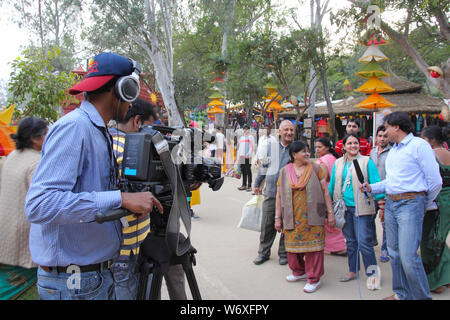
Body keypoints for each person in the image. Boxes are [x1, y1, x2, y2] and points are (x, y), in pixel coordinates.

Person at [25, 52, 163, 300]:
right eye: (131, 92)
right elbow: (40, 205)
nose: (132, 104)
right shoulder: (75, 128)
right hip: (74, 282)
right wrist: (119, 199)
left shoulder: (99, 130)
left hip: (91, 278)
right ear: (122, 90)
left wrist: (126, 201)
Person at [109, 98, 187, 300]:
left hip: (118, 249)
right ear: (137, 122)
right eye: (150, 128)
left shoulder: (106, 142)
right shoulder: (134, 150)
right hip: (133, 248)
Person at [363, 111, 442, 300]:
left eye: (387, 128)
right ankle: (401, 294)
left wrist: (422, 201)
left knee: (408, 257)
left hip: (410, 204)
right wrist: (371, 187)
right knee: (394, 254)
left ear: (397, 127)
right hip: (391, 203)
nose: (384, 132)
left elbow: (435, 180)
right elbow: (391, 182)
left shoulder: (419, 146)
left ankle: (422, 297)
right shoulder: (395, 150)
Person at [275, 141, 335, 293]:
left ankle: (314, 279)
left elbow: (325, 191)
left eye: (308, 151)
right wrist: (278, 217)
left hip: (313, 216)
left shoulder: (316, 168)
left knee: (314, 249)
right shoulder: (284, 172)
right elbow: (279, 196)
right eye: (303, 151)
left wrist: (330, 212)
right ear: (294, 155)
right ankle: (298, 272)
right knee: (292, 250)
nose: (307, 154)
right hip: (292, 217)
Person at [0, 117, 48, 300]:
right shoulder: (36, 163)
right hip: (23, 232)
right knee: (15, 281)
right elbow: (41, 203)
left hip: (6, 227)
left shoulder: (13, 156)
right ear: (35, 138)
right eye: (45, 134)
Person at [329, 133, 384, 289]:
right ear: (344, 146)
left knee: (364, 242)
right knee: (351, 242)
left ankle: (373, 275)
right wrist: (329, 206)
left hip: (363, 208)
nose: (353, 146)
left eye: (355, 143)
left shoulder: (367, 162)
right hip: (344, 208)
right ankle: (353, 270)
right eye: (349, 143)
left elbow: (377, 185)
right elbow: (332, 186)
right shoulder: (338, 163)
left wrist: (377, 200)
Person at [253, 120, 295, 265]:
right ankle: (263, 253)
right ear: (280, 132)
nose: (289, 132)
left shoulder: (296, 148)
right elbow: (264, 166)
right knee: (267, 224)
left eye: (291, 130)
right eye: (286, 130)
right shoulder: (272, 147)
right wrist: (257, 183)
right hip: (270, 192)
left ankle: (284, 253)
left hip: (290, 194)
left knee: (287, 224)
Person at [420, 125, 450, 294]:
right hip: (448, 201)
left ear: (428, 140)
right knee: (442, 239)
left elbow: (432, 182)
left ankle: (435, 282)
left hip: (436, 202)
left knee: (430, 241)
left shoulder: (430, 155)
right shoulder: (449, 153)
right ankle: (446, 277)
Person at [314, 137, 347, 256]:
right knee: (331, 221)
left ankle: (335, 246)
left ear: (327, 147)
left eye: (320, 147)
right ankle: (338, 245)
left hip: (324, 192)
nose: (317, 149)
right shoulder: (334, 158)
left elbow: (322, 178)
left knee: (327, 222)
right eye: (316, 147)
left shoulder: (323, 161)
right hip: (334, 190)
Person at [369, 125, 391, 263]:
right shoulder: (372, 152)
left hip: (386, 193)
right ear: (376, 137)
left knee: (385, 223)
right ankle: (373, 241)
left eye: (385, 136)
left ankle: (385, 248)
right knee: (369, 219)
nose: (382, 139)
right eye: (380, 136)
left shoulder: (393, 153)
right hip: (372, 193)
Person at [237, 125, 255, 191]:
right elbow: (240, 148)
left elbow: (252, 146)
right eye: (244, 129)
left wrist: (248, 154)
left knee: (248, 171)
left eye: (246, 129)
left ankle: (249, 185)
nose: (245, 130)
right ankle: (244, 185)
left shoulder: (250, 137)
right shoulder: (242, 137)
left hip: (247, 156)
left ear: (248, 129)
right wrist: (238, 156)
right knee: (243, 171)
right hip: (242, 156)